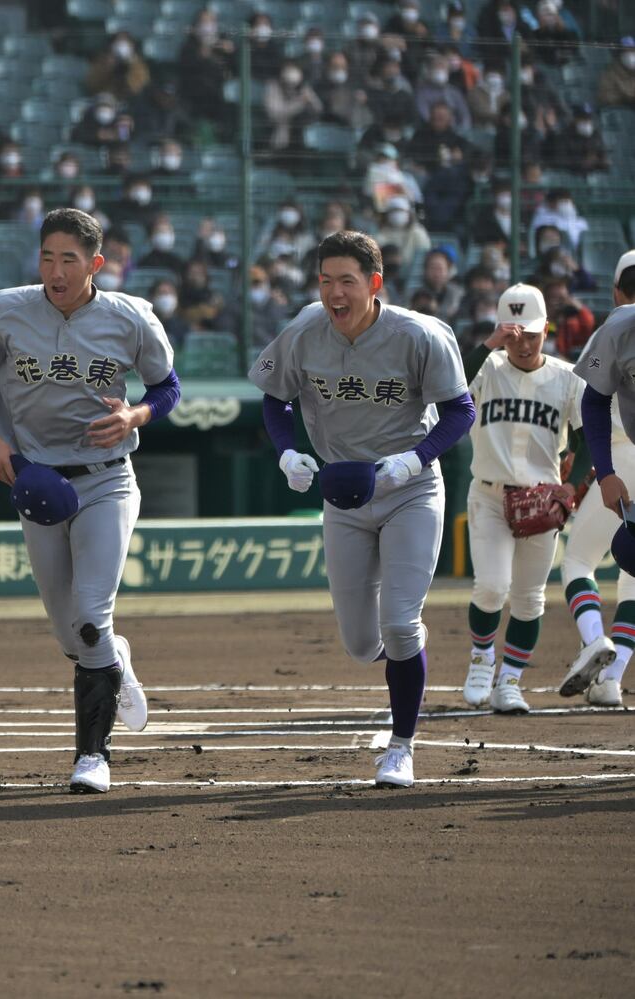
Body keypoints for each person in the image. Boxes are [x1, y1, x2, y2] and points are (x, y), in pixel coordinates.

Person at [0, 208, 172, 794]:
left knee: (91, 618)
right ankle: (114, 659)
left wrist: (135, 414)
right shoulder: (5, 308)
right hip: (35, 483)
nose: (55, 270)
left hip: (106, 479)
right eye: (47, 257)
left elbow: (167, 385)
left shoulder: (131, 317)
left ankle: (92, 757)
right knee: (72, 637)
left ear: (95, 264)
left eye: (68, 259)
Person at [248, 230, 474, 789]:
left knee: (398, 623)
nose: (334, 293)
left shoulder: (418, 334)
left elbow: (460, 411)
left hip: (409, 490)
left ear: (375, 284)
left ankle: (401, 746)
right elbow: (275, 399)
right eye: (325, 281)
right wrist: (287, 454)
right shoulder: (304, 330)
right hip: (341, 496)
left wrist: (414, 460)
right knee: (359, 644)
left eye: (346, 280)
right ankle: (407, 656)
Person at [460, 284, 584, 714]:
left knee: (530, 598)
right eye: (515, 334)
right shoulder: (486, 369)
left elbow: (587, 440)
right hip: (490, 495)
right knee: (492, 587)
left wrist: (572, 487)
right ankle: (480, 660)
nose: (524, 344)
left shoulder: (567, 379)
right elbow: (448, 386)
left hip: (542, 499)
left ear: (546, 329)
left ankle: (509, 682)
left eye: (532, 334)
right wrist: (490, 343)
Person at [564, 250, 635, 708]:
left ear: (614, 292)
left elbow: (589, 407)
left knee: (577, 561)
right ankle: (611, 678)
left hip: (618, 453)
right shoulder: (617, 329)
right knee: (633, 578)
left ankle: (595, 643)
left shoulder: (613, 330)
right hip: (623, 452)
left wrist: (597, 473)